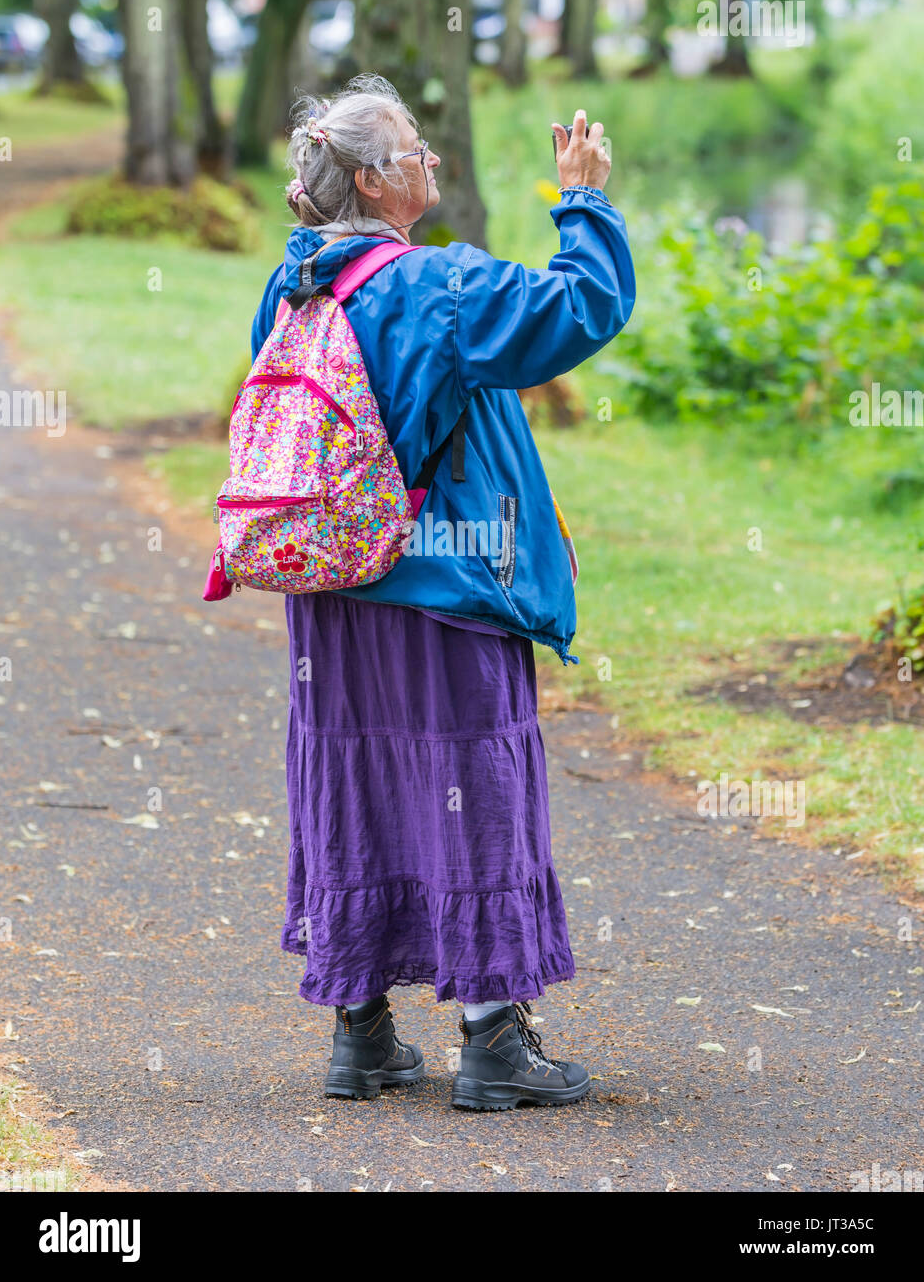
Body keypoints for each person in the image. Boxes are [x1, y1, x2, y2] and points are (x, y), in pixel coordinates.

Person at [249, 74, 636, 1110]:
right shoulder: (436, 288)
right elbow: (579, 307)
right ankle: (491, 1046)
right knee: (471, 780)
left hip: (330, 595)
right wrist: (583, 200)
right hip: (444, 580)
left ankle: (360, 1033)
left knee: (353, 787)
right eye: (414, 147)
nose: (429, 159)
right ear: (375, 179)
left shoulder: (293, 285)